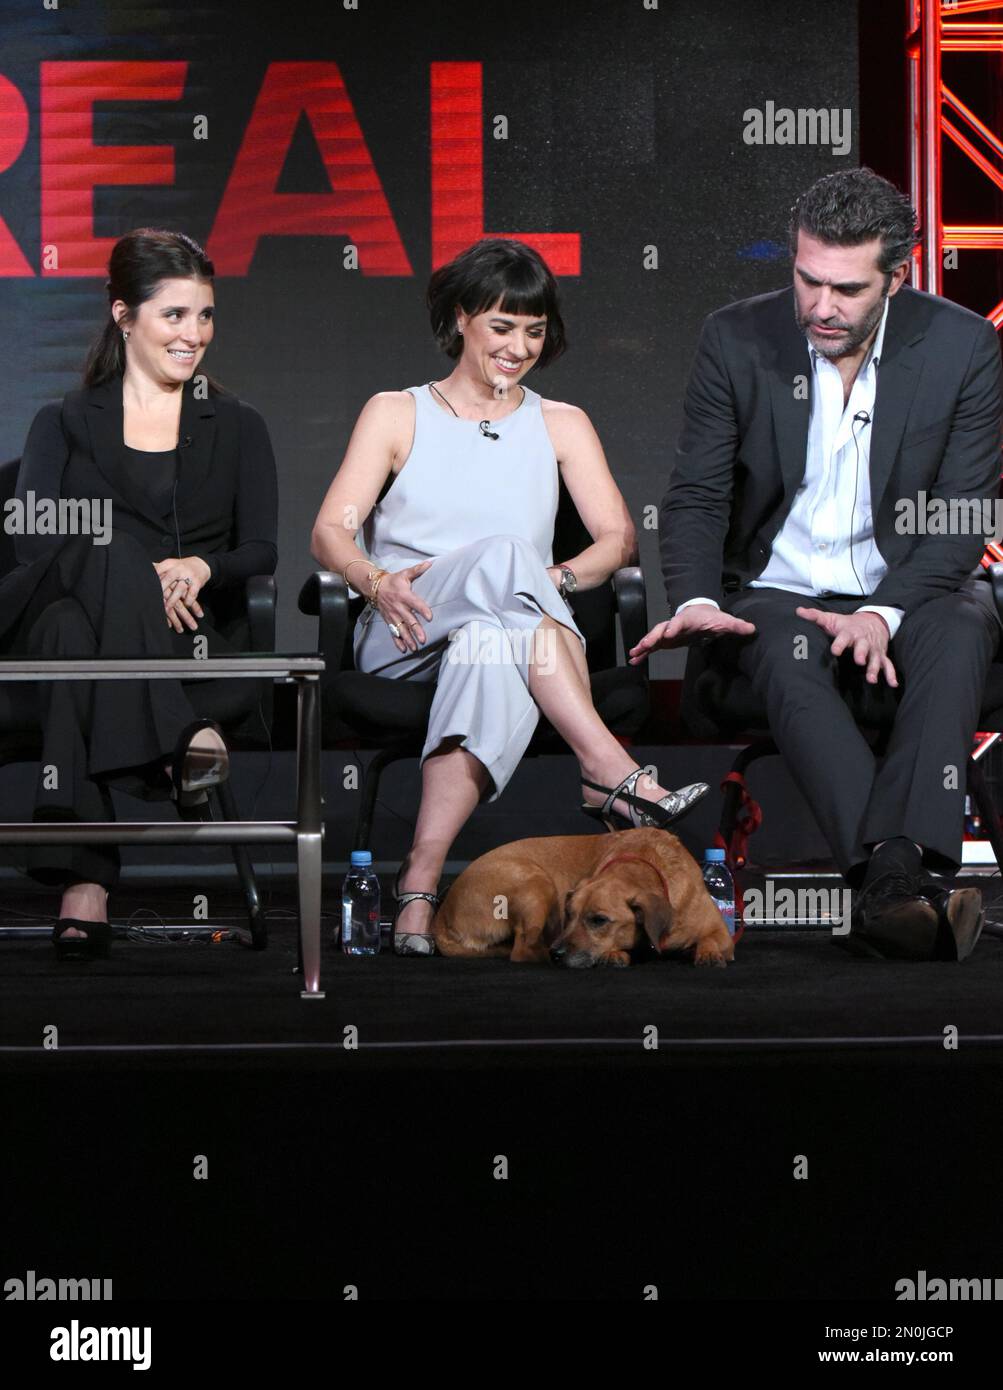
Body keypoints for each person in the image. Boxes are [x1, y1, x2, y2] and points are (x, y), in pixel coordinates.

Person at [632, 167, 1003, 962]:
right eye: (806, 280)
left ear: (895, 278)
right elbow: (695, 493)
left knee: (963, 621)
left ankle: (885, 890)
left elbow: (962, 513)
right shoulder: (734, 336)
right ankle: (896, 888)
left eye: (845, 288)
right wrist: (695, 599)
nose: (820, 307)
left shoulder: (962, 344)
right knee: (783, 636)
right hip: (775, 590)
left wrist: (879, 613)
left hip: (907, 590)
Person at [311, 237, 707, 956]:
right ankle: (608, 767)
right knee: (505, 555)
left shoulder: (561, 423)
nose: (518, 347)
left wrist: (543, 583)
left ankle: (418, 889)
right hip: (407, 628)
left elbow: (616, 541)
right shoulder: (395, 413)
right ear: (460, 319)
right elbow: (329, 533)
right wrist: (375, 580)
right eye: (501, 326)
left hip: (502, 640)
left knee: (491, 640)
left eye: (534, 331)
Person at [0, 229, 278, 959]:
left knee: (69, 637)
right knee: (98, 555)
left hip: (180, 638)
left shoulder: (238, 424)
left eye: (205, 316)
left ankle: (83, 888)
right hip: (70, 610)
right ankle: (177, 737)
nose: (195, 335)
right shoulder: (63, 420)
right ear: (125, 316)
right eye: (175, 316)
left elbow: (261, 548)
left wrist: (198, 570)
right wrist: (134, 572)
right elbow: (32, 535)